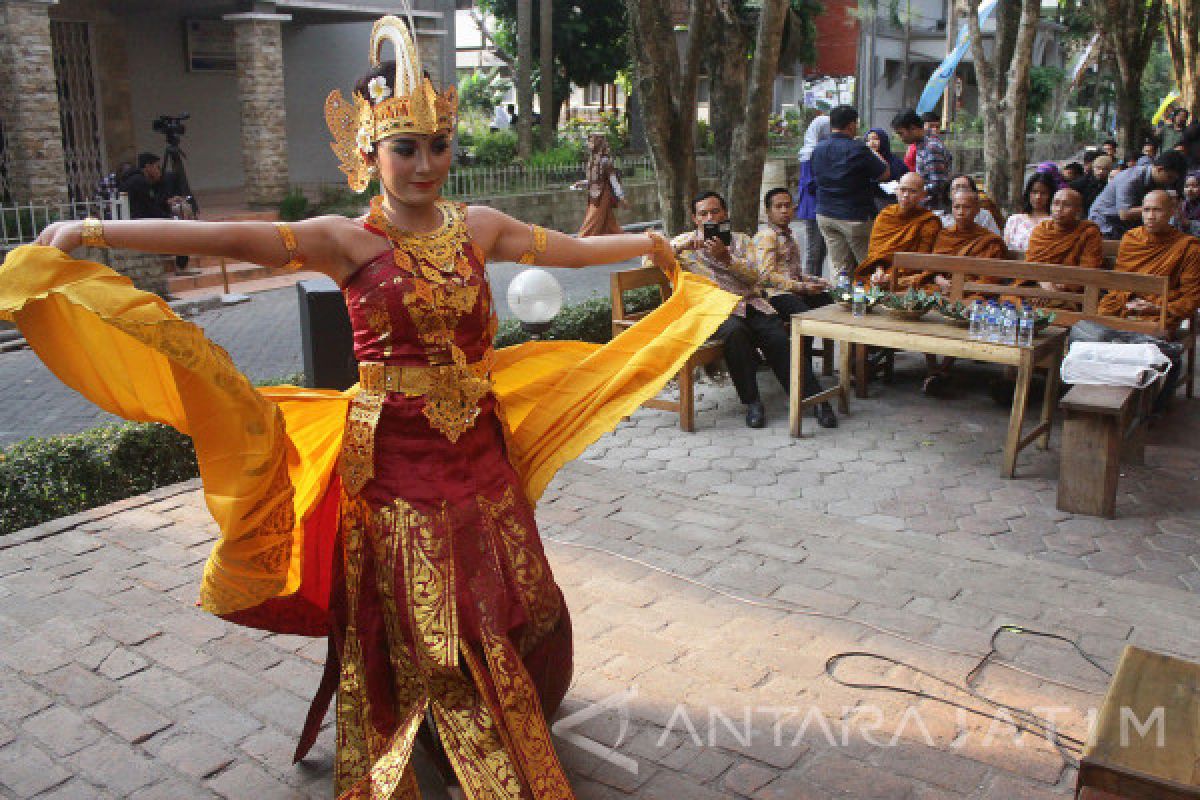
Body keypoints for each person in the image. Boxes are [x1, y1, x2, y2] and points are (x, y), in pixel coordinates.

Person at [14, 16, 737, 799]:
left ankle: (505, 698)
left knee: (515, 587)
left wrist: (654, 242)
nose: (426, 164)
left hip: (479, 450)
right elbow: (226, 235)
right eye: (406, 148)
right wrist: (94, 229)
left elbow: (568, 248)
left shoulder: (481, 227)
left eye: (437, 146)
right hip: (392, 457)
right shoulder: (345, 240)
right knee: (428, 601)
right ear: (370, 154)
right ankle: (441, 723)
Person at [670, 191, 792, 429]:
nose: (710, 218)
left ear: (725, 213)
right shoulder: (685, 242)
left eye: (715, 211)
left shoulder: (742, 241)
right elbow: (649, 260)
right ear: (695, 219)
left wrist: (728, 259)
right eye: (703, 214)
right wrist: (680, 247)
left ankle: (805, 396)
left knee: (776, 333)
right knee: (734, 333)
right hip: (713, 312)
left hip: (748, 303)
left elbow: (758, 277)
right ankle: (752, 402)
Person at [1098, 190, 1200, 410]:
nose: (1151, 216)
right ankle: (1107, 397)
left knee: (1147, 340)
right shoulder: (1131, 238)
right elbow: (1119, 283)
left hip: (1159, 312)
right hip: (1126, 305)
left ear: (1172, 212)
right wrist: (1129, 300)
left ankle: (1145, 406)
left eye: (1157, 210)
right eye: (1146, 210)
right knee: (1095, 329)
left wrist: (1155, 306)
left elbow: (1191, 297)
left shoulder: (1188, 247)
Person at [754, 187, 838, 428]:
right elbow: (766, 277)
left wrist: (816, 281)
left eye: (787, 205)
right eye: (778, 206)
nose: (784, 211)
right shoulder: (767, 237)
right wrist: (801, 287)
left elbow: (795, 271)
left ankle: (820, 362)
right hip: (775, 296)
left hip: (793, 290)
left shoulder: (789, 235)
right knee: (807, 315)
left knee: (832, 303)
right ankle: (806, 378)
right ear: (768, 211)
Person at [918, 188, 1007, 393]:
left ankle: (945, 366)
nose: (961, 212)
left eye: (967, 207)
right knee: (922, 301)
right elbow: (933, 269)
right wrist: (940, 280)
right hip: (943, 288)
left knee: (969, 307)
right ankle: (933, 366)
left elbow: (989, 280)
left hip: (971, 291)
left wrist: (961, 287)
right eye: (957, 207)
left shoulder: (989, 240)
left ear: (977, 210)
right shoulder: (944, 235)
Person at [810, 105, 890, 278]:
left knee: (839, 267)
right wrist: (873, 151)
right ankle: (871, 300)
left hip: (825, 214)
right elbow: (884, 173)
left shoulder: (818, 149)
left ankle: (842, 302)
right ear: (852, 125)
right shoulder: (858, 149)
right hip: (854, 216)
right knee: (868, 265)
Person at [859, 171, 942, 285]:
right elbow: (875, 253)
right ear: (896, 190)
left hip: (908, 277)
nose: (906, 195)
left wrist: (891, 276)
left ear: (922, 195)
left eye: (912, 191)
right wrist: (879, 271)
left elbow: (920, 261)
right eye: (903, 189)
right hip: (880, 274)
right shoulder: (885, 215)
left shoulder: (929, 222)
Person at [1088, 150, 1188, 239]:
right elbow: (1124, 214)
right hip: (1105, 225)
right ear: (1159, 169)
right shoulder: (1130, 179)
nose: (1170, 182)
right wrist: (1160, 207)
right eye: (1169, 177)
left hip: (1127, 225)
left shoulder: (1159, 181)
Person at [795, 109, 832, 276]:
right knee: (813, 251)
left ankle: (815, 283)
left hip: (819, 206)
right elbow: (810, 183)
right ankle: (810, 282)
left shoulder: (817, 151)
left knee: (821, 250)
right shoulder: (810, 153)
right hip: (812, 207)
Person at [892, 108, 952, 209]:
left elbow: (938, 184)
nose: (901, 138)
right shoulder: (922, 145)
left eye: (901, 133)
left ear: (913, 128)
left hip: (934, 209)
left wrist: (912, 191)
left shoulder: (931, 147)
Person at [574, 133, 623, 236]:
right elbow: (594, 179)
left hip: (602, 196)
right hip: (594, 195)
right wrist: (582, 183)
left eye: (591, 141)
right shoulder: (592, 160)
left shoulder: (605, 161)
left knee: (592, 220)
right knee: (609, 223)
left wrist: (620, 196)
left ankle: (583, 238)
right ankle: (624, 242)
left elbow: (613, 180)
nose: (589, 144)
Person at [933, 174, 1002, 235]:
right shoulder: (938, 217)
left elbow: (994, 241)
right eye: (956, 188)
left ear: (973, 192)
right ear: (949, 194)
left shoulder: (984, 215)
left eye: (964, 188)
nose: (960, 191)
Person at [1004, 172, 1056, 251]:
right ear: (1028, 193)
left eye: (1043, 193)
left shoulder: (1055, 222)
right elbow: (1005, 248)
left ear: (1051, 195)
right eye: (1034, 192)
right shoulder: (1015, 220)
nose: (1038, 197)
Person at [865, 127, 908, 211]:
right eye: (868, 140)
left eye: (876, 139)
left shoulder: (895, 161)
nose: (871, 143)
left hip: (892, 203)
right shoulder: (864, 160)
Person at [117, 152, 170, 219]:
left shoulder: (136, 179)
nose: (159, 171)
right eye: (157, 167)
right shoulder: (140, 181)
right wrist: (169, 218)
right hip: (134, 223)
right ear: (148, 167)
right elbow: (151, 208)